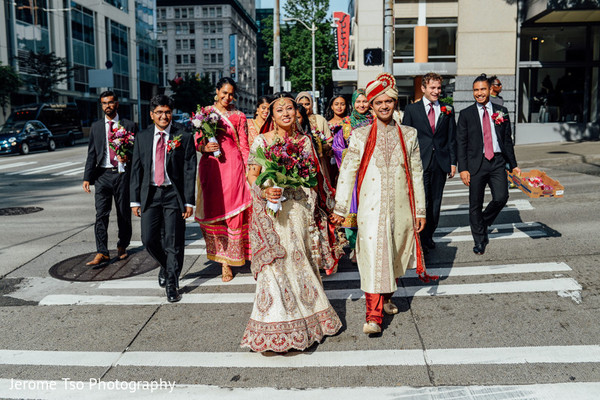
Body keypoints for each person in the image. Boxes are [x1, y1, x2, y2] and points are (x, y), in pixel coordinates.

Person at [331, 73, 432, 335]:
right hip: (370, 208)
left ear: (395, 103)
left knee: (394, 253)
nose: (384, 106)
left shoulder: (409, 135)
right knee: (374, 257)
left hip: (401, 208)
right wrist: (340, 208)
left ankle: (386, 297)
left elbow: (417, 172)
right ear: (372, 105)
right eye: (379, 102)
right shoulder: (360, 135)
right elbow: (348, 171)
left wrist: (420, 210)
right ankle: (373, 316)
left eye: (389, 101)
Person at [241, 92, 342, 353]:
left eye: (289, 109)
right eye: (279, 110)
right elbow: (252, 175)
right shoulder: (262, 141)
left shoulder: (305, 141)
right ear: (271, 116)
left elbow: (312, 177)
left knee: (299, 261)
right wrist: (264, 191)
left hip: (298, 210)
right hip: (272, 211)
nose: (286, 113)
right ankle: (275, 323)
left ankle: (308, 320)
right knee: (275, 265)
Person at [130, 95, 197, 302]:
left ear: (171, 113)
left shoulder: (183, 136)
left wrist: (189, 201)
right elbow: (136, 169)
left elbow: (189, 169)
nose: (163, 116)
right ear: (151, 115)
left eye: (167, 112)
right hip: (150, 194)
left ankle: (172, 283)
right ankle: (167, 267)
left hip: (173, 194)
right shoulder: (142, 137)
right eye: (159, 112)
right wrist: (135, 200)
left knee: (173, 241)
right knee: (148, 239)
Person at [195, 77, 251, 282]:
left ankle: (236, 256)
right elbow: (197, 141)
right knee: (216, 213)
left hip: (234, 167)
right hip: (212, 167)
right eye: (224, 93)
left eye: (230, 94)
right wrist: (203, 147)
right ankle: (223, 262)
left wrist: (248, 171)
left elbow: (244, 145)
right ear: (217, 91)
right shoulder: (206, 114)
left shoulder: (239, 115)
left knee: (235, 213)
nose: (227, 97)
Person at [457, 74, 520, 255]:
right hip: (476, 163)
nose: (479, 93)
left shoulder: (501, 111)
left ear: (490, 90)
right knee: (474, 204)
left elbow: (507, 140)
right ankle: (479, 240)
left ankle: (482, 222)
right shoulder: (466, 114)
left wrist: (513, 164)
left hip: (498, 162)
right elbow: (461, 142)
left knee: (501, 197)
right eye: (476, 90)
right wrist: (463, 168)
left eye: (483, 89)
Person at [402, 72, 457, 252]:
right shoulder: (412, 110)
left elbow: (451, 138)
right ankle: (420, 238)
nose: (436, 91)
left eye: (439, 88)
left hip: (440, 161)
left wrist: (453, 162)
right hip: (418, 161)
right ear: (423, 88)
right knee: (422, 201)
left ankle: (429, 234)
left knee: (436, 202)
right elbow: (405, 137)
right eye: (432, 88)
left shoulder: (447, 109)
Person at [83, 91, 137, 266]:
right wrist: (87, 177)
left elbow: (137, 151)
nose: (108, 106)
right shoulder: (96, 127)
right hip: (102, 175)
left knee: (123, 214)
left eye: (111, 102)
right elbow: (92, 153)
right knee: (101, 214)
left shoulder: (129, 125)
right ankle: (102, 251)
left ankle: (122, 245)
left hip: (122, 174)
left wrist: (127, 156)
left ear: (117, 104)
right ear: (101, 105)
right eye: (104, 103)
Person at [331, 89, 373, 263]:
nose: (361, 105)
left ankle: (370, 248)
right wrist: (353, 154)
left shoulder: (376, 121)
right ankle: (355, 248)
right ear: (353, 104)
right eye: (358, 102)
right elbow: (337, 147)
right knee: (353, 213)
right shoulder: (346, 124)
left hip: (372, 173)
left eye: (365, 101)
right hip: (354, 176)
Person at [296, 91, 334, 184]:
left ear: (312, 104)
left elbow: (330, 142)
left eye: (307, 104)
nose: (304, 107)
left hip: (320, 160)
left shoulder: (320, 119)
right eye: (301, 104)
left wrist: (320, 145)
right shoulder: (294, 118)